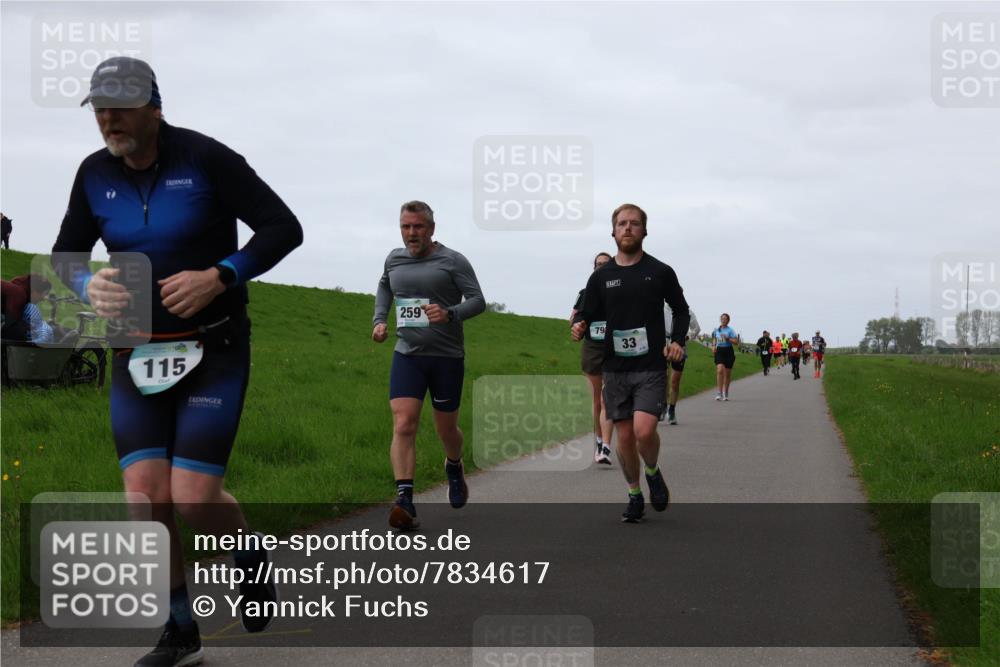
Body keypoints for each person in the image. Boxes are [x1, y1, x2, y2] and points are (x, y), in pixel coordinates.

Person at [50, 57, 303, 667]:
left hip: (213, 348)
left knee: (192, 497)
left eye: (120, 106)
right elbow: (66, 255)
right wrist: (87, 285)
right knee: (145, 498)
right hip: (135, 350)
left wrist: (222, 274)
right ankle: (179, 628)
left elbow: (282, 227)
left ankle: (246, 553)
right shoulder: (92, 173)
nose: (108, 118)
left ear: (154, 108)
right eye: (99, 108)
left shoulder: (207, 158)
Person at [572, 203, 690, 523]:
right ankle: (634, 493)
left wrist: (677, 342)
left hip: (650, 366)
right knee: (624, 438)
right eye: (622, 223)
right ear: (613, 232)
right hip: (615, 368)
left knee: (644, 430)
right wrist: (580, 325)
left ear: (644, 231)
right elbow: (588, 313)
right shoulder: (601, 277)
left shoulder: (661, 272)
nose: (627, 228)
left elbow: (681, 310)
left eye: (634, 223)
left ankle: (652, 470)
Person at [373, 200, 486, 531]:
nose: (411, 233)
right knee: (404, 423)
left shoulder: (453, 260)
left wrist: (450, 313)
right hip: (407, 354)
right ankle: (404, 500)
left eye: (418, 226)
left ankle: (454, 465)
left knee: (446, 430)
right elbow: (384, 286)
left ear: (431, 229)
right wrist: (379, 320)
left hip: (446, 357)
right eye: (406, 227)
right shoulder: (394, 259)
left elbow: (478, 301)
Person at [571, 252, 613, 464]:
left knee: (608, 399)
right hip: (593, 348)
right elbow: (575, 317)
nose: (602, 267)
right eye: (598, 264)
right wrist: (577, 326)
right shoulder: (585, 293)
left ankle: (606, 447)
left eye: (606, 264)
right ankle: (598, 440)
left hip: (614, 349)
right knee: (596, 401)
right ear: (594, 268)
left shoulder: (621, 291)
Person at [662, 307, 700, 424]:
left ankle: (672, 410)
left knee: (675, 380)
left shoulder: (687, 311)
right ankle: (663, 406)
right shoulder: (661, 307)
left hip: (679, 345)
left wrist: (687, 337)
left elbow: (696, 329)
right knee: (662, 378)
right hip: (663, 344)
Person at [0, 274, 54, 343]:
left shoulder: (19, 289)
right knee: (18, 331)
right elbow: (10, 324)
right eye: (45, 294)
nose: (44, 298)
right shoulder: (19, 294)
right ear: (34, 291)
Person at [711, 313, 737, 400]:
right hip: (719, 351)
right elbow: (714, 338)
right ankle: (719, 393)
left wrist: (728, 338)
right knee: (719, 370)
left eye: (725, 319)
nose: (723, 320)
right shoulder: (716, 330)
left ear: (728, 321)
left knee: (727, 374)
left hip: (729, 351)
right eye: (722, 318)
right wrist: (713, 346)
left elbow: (736, 342)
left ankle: (725, 392)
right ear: (720, 320)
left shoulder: (730, 330)